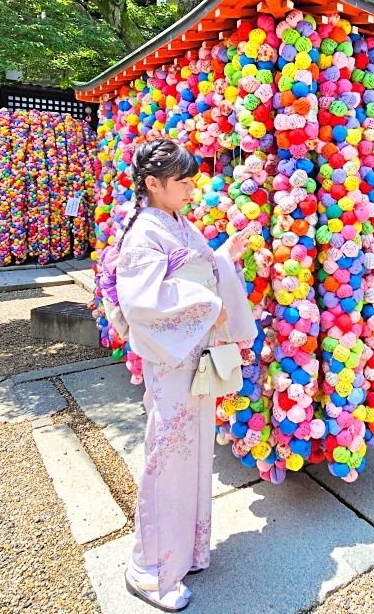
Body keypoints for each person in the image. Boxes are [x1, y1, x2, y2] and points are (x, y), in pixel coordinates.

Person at [113, 138, 258, 611]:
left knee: (191, 457)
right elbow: (141, 302)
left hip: (190, 357)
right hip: (171, 359)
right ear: (153, 184)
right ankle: (150, 570)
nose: (193, 187)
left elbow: (200, 271)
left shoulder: (177, 223)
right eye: (185, 180)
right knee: (167, 460)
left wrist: (223, 256)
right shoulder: (142, 232)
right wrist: (210, 304)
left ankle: (184, 553)